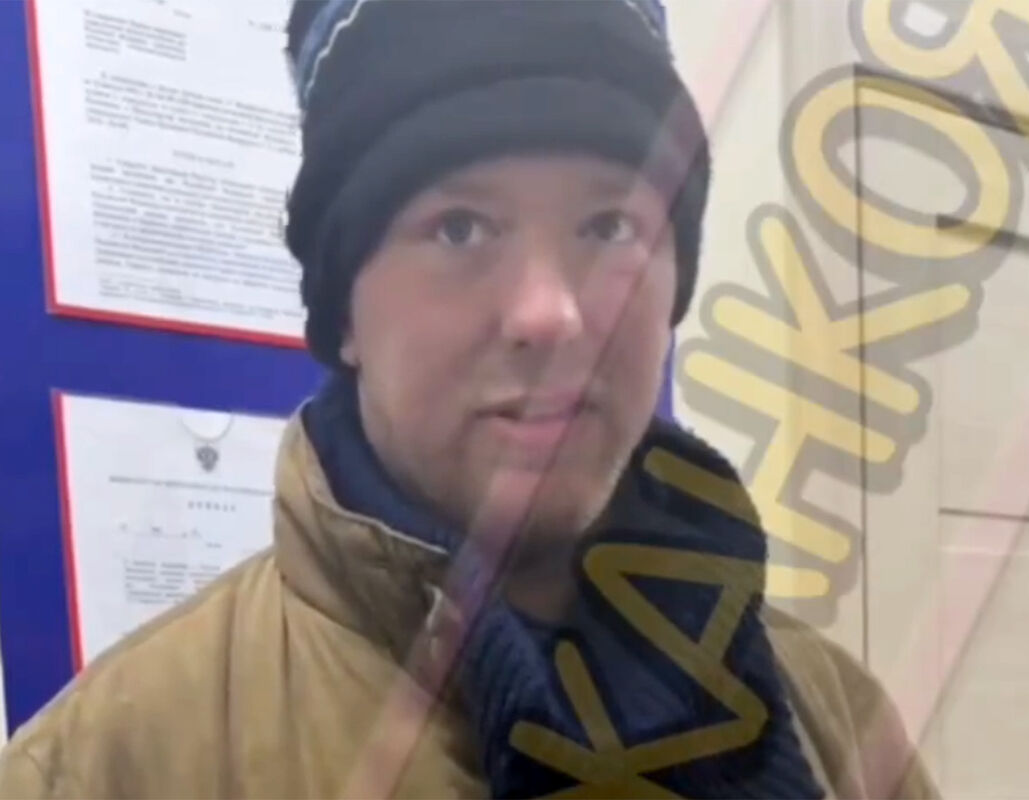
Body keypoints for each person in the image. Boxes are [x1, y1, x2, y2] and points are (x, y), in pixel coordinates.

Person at [0, 1, 939, 797]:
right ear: (344, 315)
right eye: (460, 227)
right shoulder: (107, 767)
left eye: (609, 225)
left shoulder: (836, 722)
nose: (552, 312)